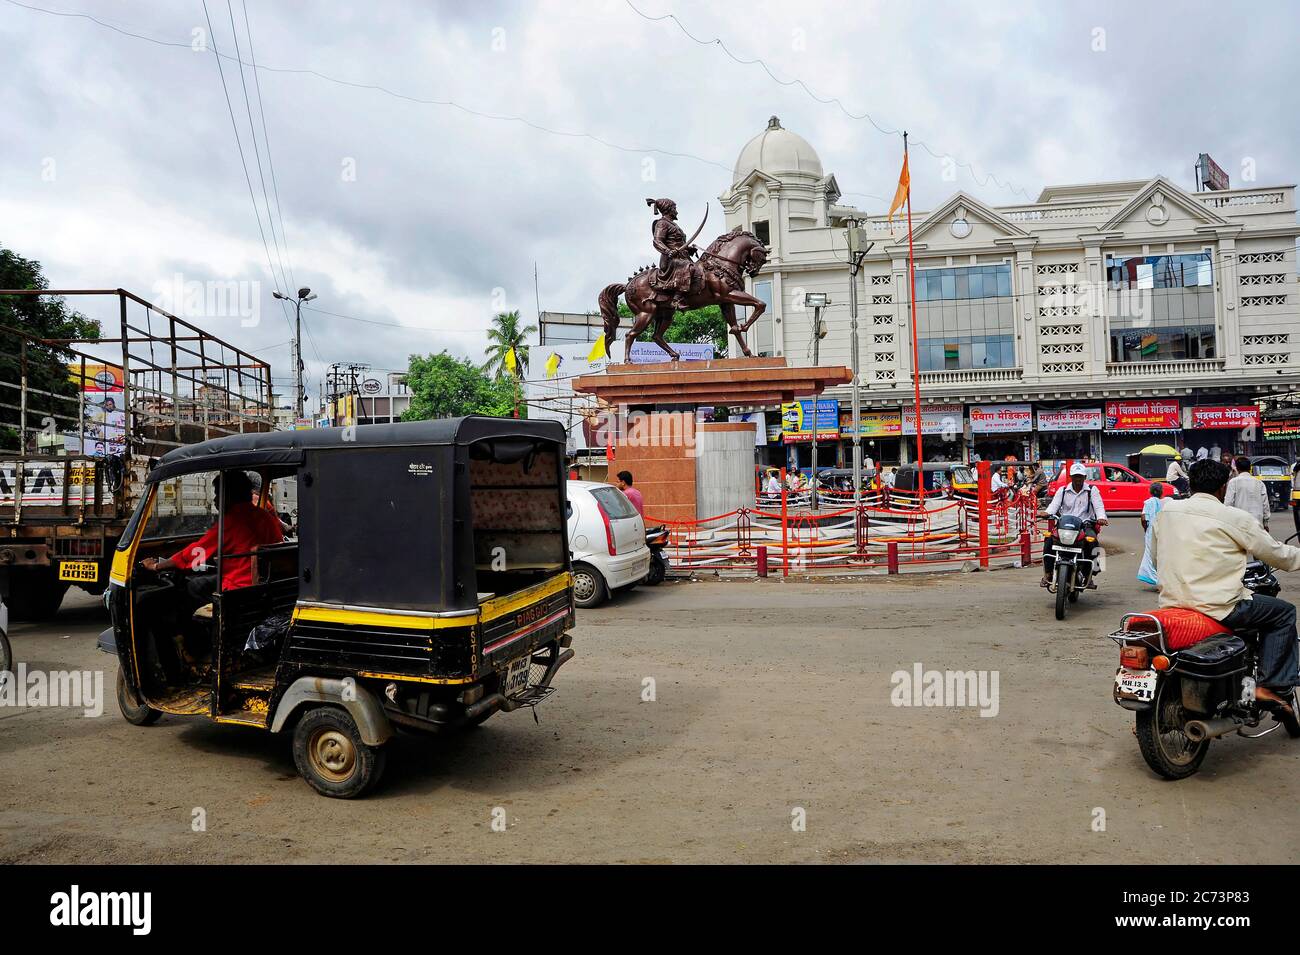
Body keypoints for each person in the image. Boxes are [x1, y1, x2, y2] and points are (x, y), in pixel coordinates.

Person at [1151, 458, 1300, 712]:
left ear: (1191, 484)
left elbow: (1156, 558)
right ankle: (1269, 685)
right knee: (1284, 613)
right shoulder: (1233, 517)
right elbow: (1275, 553)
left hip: (1173, 602)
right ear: (1223, 488)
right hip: (1221, 605)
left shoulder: (1166, 512)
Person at [142, 470, 284, 601]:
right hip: (265, 583)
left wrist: (156, 566)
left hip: (240, 587)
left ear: (228, 495)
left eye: (217, 494)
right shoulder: (266, 517)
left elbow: (196, 552)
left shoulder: (232, 521)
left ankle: (210, 625)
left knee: (194, 586)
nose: (215, 500)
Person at [1039, 462, 1109, 588]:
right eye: (1075, 476)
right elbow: (1054, 505)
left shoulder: (1092, 491)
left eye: (1080, 476)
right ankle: (1048, 573)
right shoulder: (1063, 490)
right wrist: (1047, 513)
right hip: (1064, 525)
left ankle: (1089, 575)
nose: (1078, 479)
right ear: (1071, 477)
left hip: (1084, 525)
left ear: (1084, 477)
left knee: (1092, 542)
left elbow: (1099, 507)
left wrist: (1101, 518)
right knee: (1049, 540)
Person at [1225, 455, 1270, 530]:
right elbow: (1265, 504)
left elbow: (1228, 503)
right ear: (1250, 468)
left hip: (1239, 522)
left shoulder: (1233, 482)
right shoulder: (1259, 483)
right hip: (1257, 522)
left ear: (1237, 468)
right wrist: (1266, 523)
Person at [1137, 483, 1164, 586]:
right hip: (1160, 530)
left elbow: (1144, 518)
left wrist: (1145, 529)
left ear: (1150, 492)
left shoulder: (1148, 502)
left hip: (1150, 531)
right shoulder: (1161, 503)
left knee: (1149, 553)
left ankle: (1154, 578)